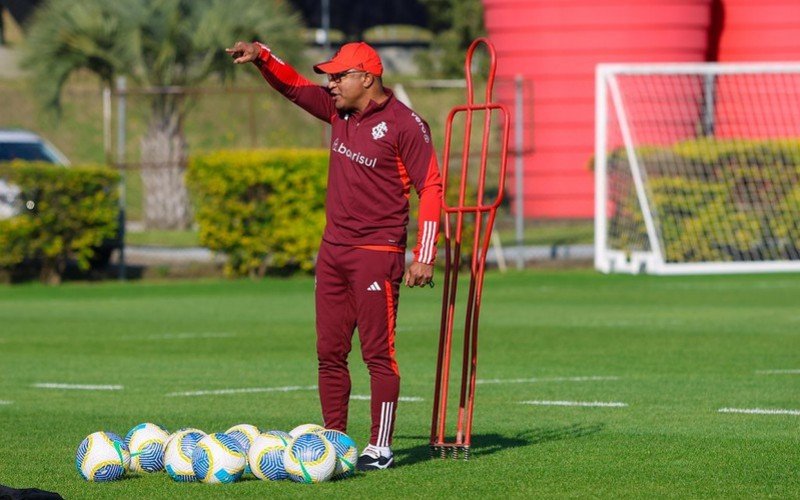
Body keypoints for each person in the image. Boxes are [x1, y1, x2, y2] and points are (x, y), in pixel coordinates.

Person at [226, 40, 443, 471]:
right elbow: (293, 88)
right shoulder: (337, 109)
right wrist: (263, 58)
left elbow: (431, 186)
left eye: (340, 75)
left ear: (367, 78)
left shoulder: (405, 124)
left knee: (378, 355)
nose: (331, 82)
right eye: (331, 74)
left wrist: (425, 253)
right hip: (333, 252)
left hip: (376, 253)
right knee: (329, 352)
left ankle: (380, 447)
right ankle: (335, 441)